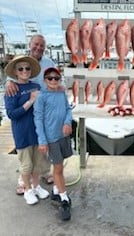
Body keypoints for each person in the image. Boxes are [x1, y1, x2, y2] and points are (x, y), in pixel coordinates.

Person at [5, 34, 55, 194]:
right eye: (36, 44)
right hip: (26, 114)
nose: (38, 48)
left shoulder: (49, 62)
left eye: (41, 45)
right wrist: (8, 82)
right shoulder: (21, 61)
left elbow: (57, 79)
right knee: (25, 153)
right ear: (30, 44)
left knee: (42, 146)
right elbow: (10, 78)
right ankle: (23, 181)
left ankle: (44, 173)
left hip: (43, 110)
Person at [34, 67, 73, 221]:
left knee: (61, 164)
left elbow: (68, 109)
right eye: (50, 78)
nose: (53, 81)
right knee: (57, 168)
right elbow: (38, 119)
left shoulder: (62, 94)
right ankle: (64, 198)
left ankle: (56, 189)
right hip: (51, 139)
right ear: (45, 81)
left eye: (56, 78)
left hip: (63, 135)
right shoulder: (41, 97)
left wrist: (67, 122)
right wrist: (42, 140)